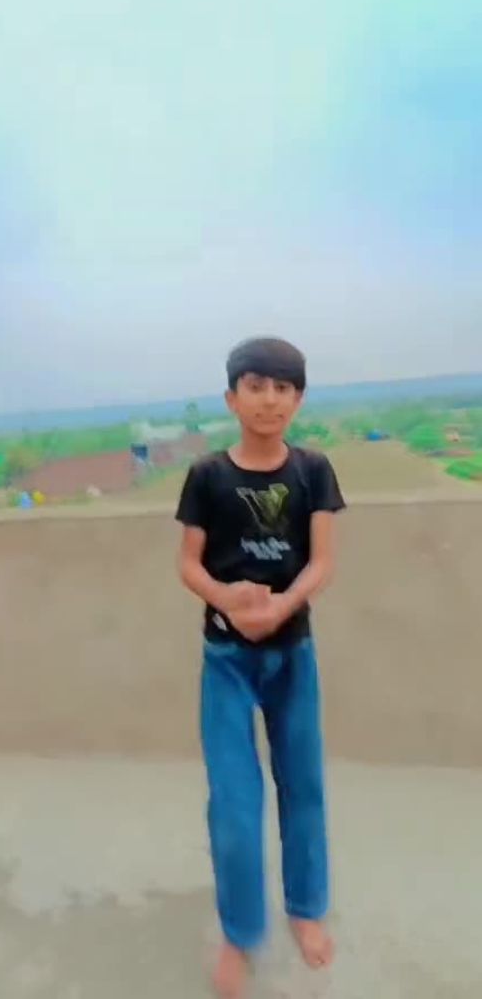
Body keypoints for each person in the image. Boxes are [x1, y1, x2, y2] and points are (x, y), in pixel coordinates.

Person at [175, 336, 345, 998]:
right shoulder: (208, 476)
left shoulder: (313, 471)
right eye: (255, 386)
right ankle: (240, 933)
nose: (268, 400)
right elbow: (189, 564)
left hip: (292, 653)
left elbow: (321, 561)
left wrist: (280, 607)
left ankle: (306, 909)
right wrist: (227, 600)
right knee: (234, 804)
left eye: (282, 388)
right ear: (231, 398)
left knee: (303, 785)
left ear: (298, 400)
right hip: (225, 658)